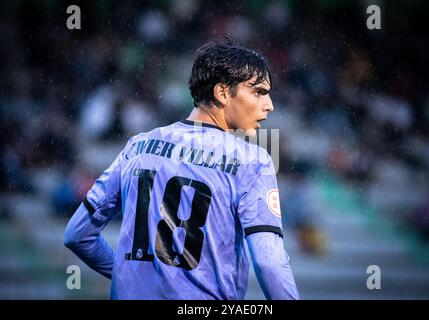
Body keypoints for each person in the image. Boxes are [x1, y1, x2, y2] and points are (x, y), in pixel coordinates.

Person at [64, 36, 300, 300]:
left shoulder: (137, 147)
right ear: (222, 92)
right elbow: (269, 261)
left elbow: (77, 235)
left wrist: (125, 275)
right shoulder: (253, 162)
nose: (269, 105)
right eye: (258, 92)